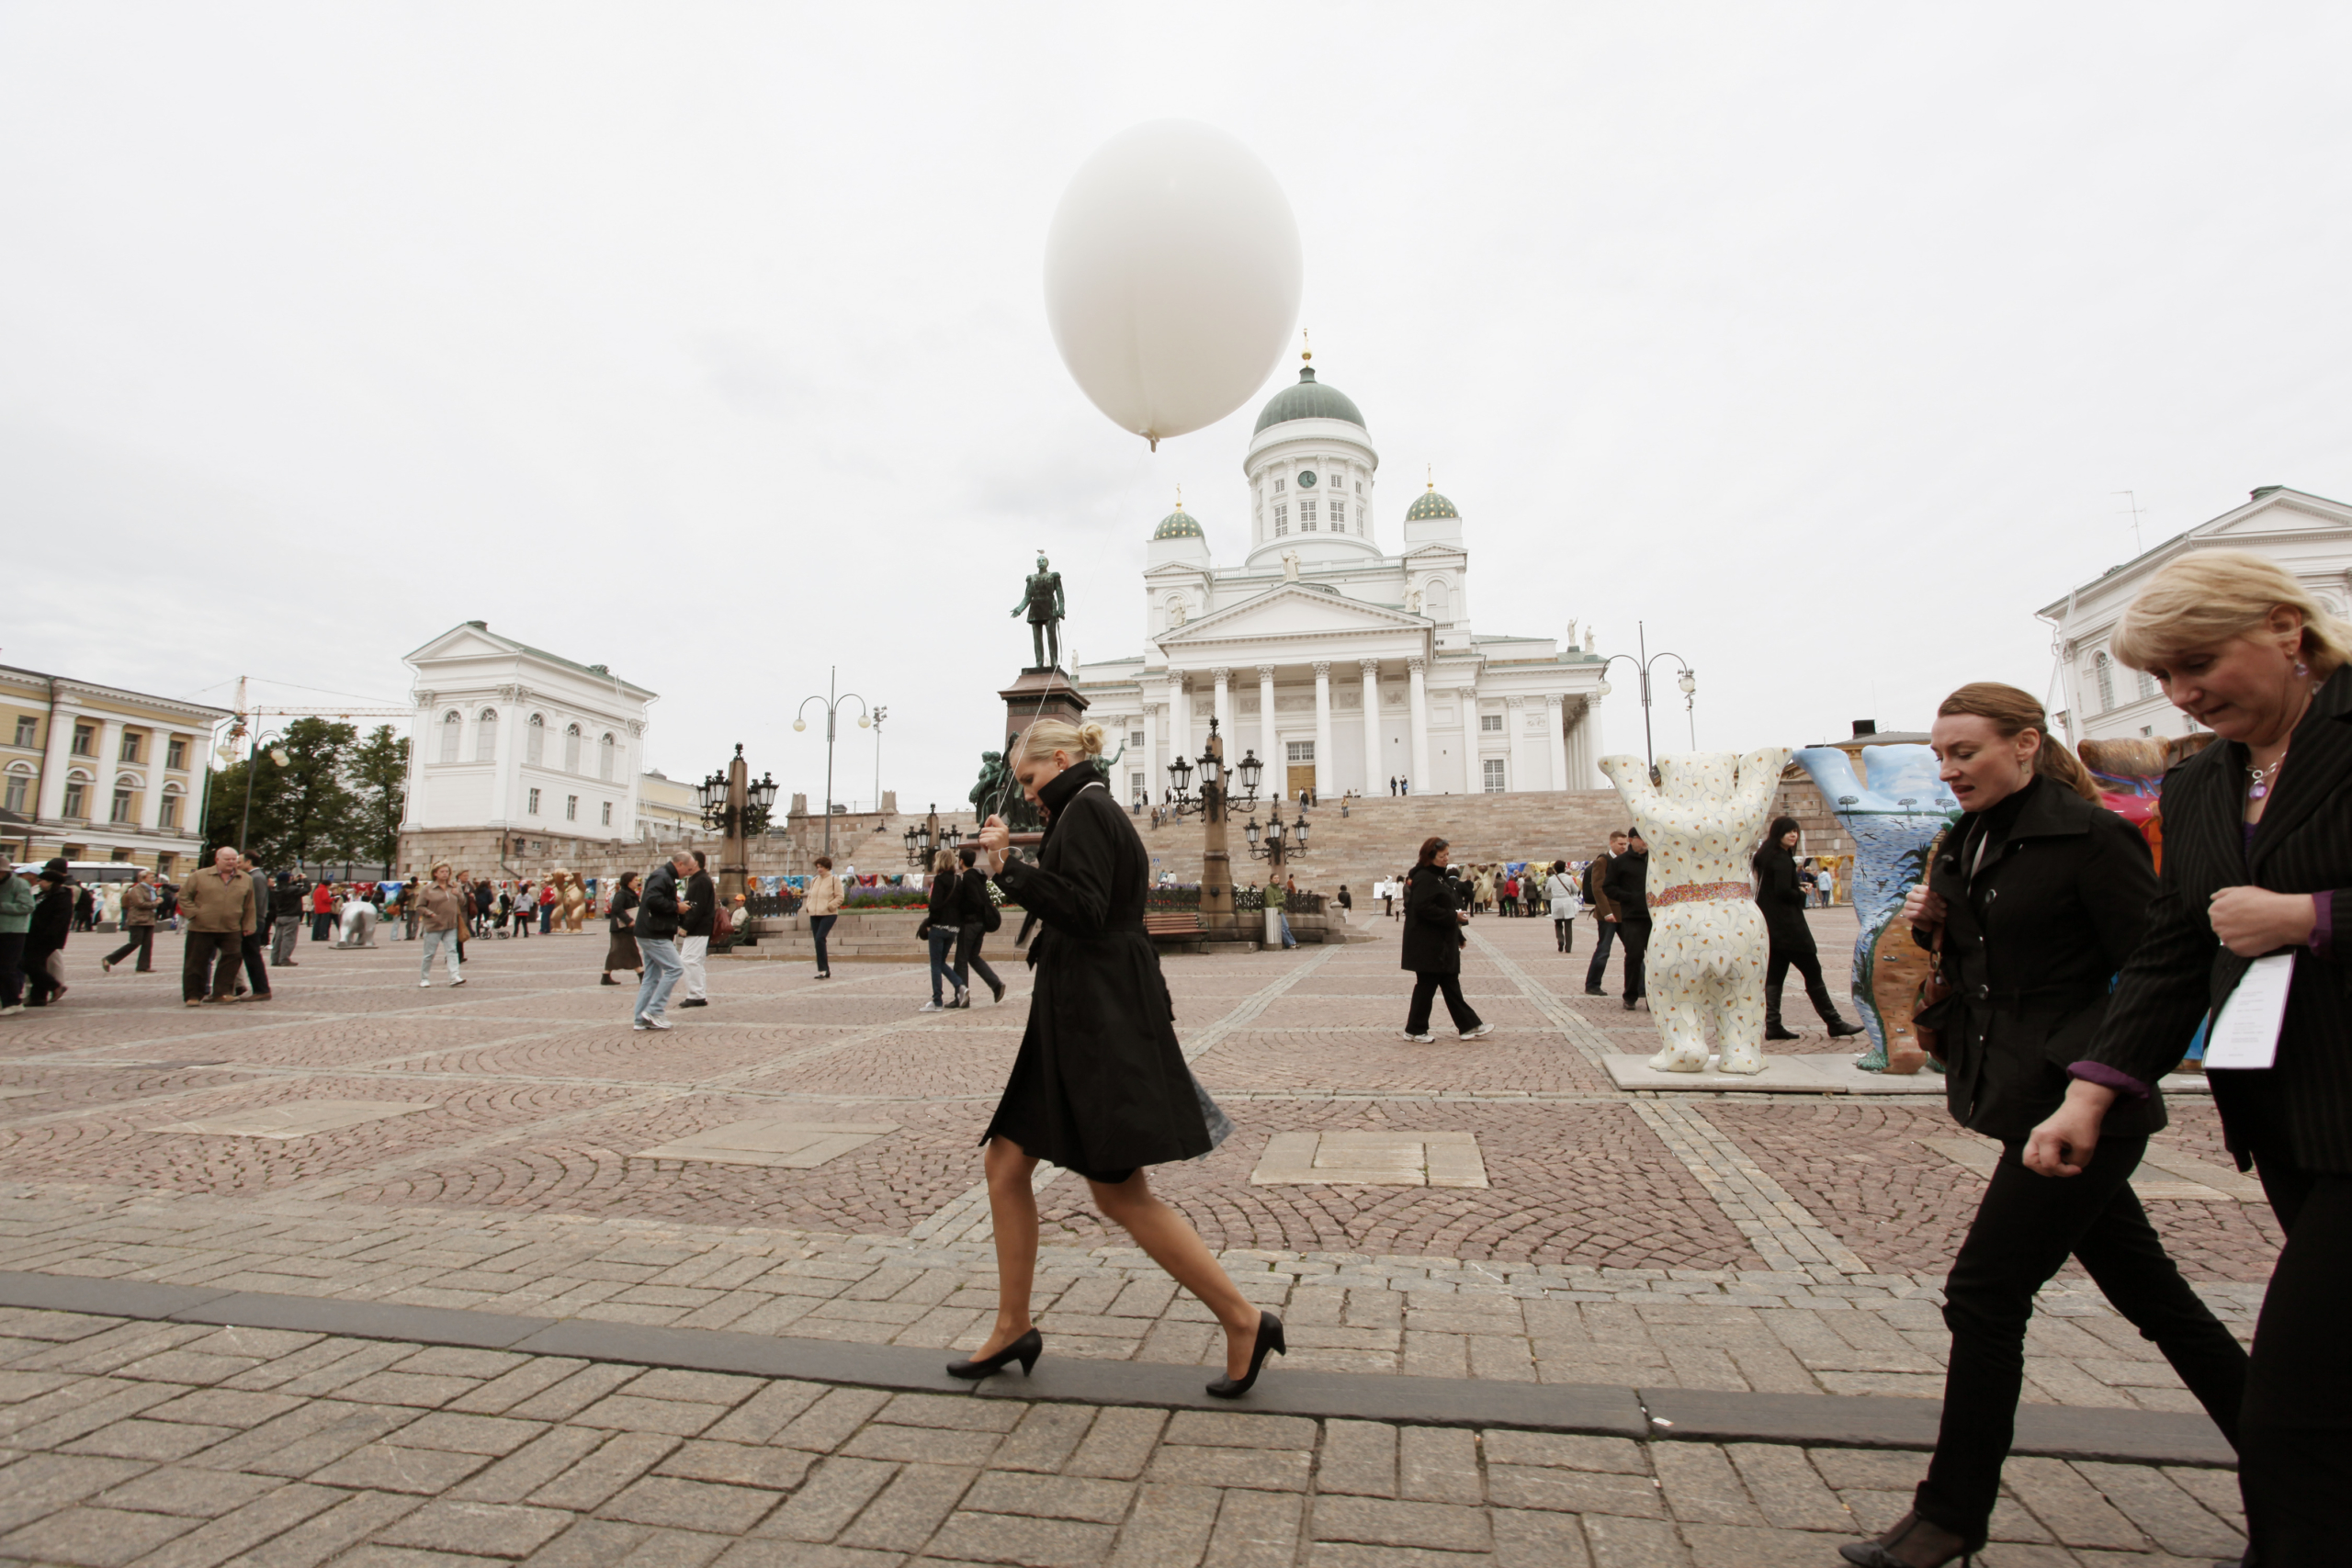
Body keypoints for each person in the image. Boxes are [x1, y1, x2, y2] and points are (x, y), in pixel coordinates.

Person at [1838, 682, 2250, 1568]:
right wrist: (1941, 924)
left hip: (2084, 1106)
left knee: (1984, 1294)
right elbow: (1991, 961)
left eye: (1966, 752)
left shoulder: (2091, 834)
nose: (1948, 770)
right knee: (2160, 1302)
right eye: (1942, 754)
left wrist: (2090, 1084)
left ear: (2025, 745)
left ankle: (1950, 1513)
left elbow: (2153, 968)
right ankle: (2302, 1469)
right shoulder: (1971, 838)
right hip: (2022, 1095)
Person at [2020, 552, 2352, 1563]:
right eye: (2164, 676)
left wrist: (2314, 916)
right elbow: (2172, 950)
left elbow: (2268, 921)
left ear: (2286, 631)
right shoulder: (2206, 777)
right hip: (2295, 1112)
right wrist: (2093, 1089)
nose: (2182, 694)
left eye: (2196, 663)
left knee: (2292, 1407)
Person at [963, 716, 1281, 1400]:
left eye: (1029, 778)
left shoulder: (1084, 811)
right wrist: (1005, 869)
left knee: (1119, 1193)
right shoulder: (1088, 809)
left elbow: (1081, 907)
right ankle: (1013, 1322)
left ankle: (1243, 1318)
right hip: (1084, 1008)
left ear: (1060, 758)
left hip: (1095, 1015)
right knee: (1007, 1161)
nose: (1026, 795)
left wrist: (1010, 866)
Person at [1753, 817, 1866, 1042]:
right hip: (1790, 928)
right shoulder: (1782, 859)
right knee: (1813, 972)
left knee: (1775, 976)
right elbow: (1783, 892)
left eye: (1795, 831)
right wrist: (1801, 893)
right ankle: (1834, 1022)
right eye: (1788, 832)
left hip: (1771, 927)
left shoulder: (1765, 856)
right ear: (1778, 833)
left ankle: (1773, 1025)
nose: (1793, 835)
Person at [1399, 837, 1491, 1043]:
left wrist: (1458, 933)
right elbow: (1423, 908)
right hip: (1428, 943)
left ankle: (1468, 1025)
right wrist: (1454, 918)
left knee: (1448, 983)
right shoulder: (1424, 878)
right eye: (1442, 856)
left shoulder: (1438, 877)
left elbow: (1446, 907)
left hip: (1441, 942)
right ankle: (1415, 1029)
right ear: (1430, 857)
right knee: (1428, 986)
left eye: (1447, 855)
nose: (1446, 859)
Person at [178, 847, 255, 1005]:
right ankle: (193, 996)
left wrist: (248, 924)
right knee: (196, 962)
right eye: (227, 859)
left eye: (234, 859)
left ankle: (223, 992)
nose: (231, 862)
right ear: (217, 859)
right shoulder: (200, 875)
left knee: (232, 959)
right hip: (201, 927)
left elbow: (249, 904)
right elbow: (184, 897)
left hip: (232, 927)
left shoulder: (245, 878)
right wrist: (195, 914)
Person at [633, 851, 695, 1030]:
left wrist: (670, 901)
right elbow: (652, 900)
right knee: (675, 968)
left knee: (651, 977)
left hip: (649, 931)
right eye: (688, 869)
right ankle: (654, 1010)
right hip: (655, 932)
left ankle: (641, 1018)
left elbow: (653, 899)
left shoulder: (663, 876)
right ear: (680, 864)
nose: (688, 873)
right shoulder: (663, 876)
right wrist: (676, 907)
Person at [1602, 828, 1650, 1010]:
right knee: (1634, 956)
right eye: (1642, 837)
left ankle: (1653, 998)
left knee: (1656, 958)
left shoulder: (1656, 860)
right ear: (1632, 839)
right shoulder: (1621, 862)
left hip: (1655, 917)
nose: (1646, 841)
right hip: (1633, 917)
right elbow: (1608, 887)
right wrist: (1629, 897)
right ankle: (1630, 996)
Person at [919, 847, 968, 1012]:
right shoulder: (958, 880)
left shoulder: (939, 881)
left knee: (935, 964)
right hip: (953, 928)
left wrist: (928, 923)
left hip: (939, 927)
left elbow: (935, 907)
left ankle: (938, 1001)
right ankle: (960, 986)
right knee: (940, 962)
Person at [956, 846, 1006, 1006]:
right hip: (981, 923)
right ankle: (996, 985)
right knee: (973, 957)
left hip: (970, 923)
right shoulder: (979, 876)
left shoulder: (967, 878)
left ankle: (962, 998)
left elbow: (972, 901)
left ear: (961, 861)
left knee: (961, 959)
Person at [22, 862, 74, 1006]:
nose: (39, 883)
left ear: (51, 882)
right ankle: (38, 997)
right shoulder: (42, 895)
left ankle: (55, 986)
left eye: (42, 880)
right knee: (37, 964)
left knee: (29, 963)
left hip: (47, 937)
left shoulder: (62, 896)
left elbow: (60, 919)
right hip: (34, 935)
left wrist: (49, 935)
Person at [1583, 830, 1627, 995]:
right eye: (1620, 844)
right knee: (1604, 949)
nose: (1624, 847)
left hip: (1624, 912)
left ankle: (1640, 986)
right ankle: (1592, 984)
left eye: (1625, 844)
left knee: (1633, 950)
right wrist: (1607, 912)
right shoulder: (1603, 861)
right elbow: (1598, 888)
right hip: (1607, 914)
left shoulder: (1625, 861)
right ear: (1612, 843)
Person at [413, 862, 466, 987]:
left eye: (447, 871)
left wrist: (458, 894)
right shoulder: (428, 888)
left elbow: (463, 903)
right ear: (435, 873)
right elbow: (419, 906)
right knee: (429, 953)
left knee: (452, 951)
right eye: (442, 871)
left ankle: (454, 976)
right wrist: (430, 913)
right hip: (434, 925)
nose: (445, 874)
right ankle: (424, 978)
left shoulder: (454, 886)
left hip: (451, 924)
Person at [675, 850, 715, 1008]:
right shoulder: (700, 880)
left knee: (689, 960)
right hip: (700, 927)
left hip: (698, 927)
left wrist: (686, 926)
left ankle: (696, 994)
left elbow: (696, 907)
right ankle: (698, 993)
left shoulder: (700, 881)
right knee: (695, 961)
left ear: (696, 862)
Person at [103, 869, 158, 975]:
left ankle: (143, 966)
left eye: (153, 877)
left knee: (147, 944)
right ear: (143, 878)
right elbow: (140, 904)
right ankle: (109, 959)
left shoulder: (151, 889)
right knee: (135, 942)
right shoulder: (136, 889)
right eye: (151, 877)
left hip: (149, 919)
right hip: (137, 920)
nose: (153, 879)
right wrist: (156, 903)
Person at [236, 854, 273, 1001]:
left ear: (248, 862)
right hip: (253, 921)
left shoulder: (256, 877)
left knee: (252, 956)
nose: (237, 864)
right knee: (249, 955)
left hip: (253, 922)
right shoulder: (255, 876)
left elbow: (255, 903)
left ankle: (261, 989)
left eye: (239, 862)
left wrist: (249, 923)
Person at [803, 855, 843, 979]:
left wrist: (830, 906)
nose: (819, 869)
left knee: (820, 938)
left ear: (827, 867)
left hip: (828, 914)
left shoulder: (834, 880)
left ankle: (824, 969)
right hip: (814, 914)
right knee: (818, 941)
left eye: (821, 867)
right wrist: (808, 906)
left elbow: (840, 897)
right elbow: (810, 895)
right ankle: (823, 970)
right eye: (818, 867)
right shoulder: (814, 880)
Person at [601, 871, 643, 986]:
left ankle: (606, 975)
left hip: (626, 927)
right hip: (620, 927)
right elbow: (617, 909)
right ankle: (641, 974)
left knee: (617, 951)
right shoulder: (622, 894)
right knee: (631, 950)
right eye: (635, 880)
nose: (637, 882)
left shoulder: (631, 893)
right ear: (628, 881)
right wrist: (628, 920)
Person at [0, 863, 30, 1013]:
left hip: (14, 931)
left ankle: (13, 1002)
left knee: (7, 967)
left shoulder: (19, 884)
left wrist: (3, 906)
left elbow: (27, 906)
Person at [269, 873, 305, 966]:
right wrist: (305, 879)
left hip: (280, 915)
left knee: (278, 938)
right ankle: (284, 959)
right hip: (291, 915)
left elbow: (290, 889)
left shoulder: (276, 889)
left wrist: (294, 882)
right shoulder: (292, 889)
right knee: (289, 938)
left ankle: (275, 959)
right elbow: (306, 890)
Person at [1544, 860, 1580, 953]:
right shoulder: (1569, 878)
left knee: (1558, 924)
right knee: (1568, 926)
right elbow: (1576, 890)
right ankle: (1568, 947)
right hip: (1567, 901)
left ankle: (1560, 939)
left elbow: (1547, 889)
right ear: (1565, 868)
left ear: (1555, 869)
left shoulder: (1551, 879)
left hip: (1556, 901)